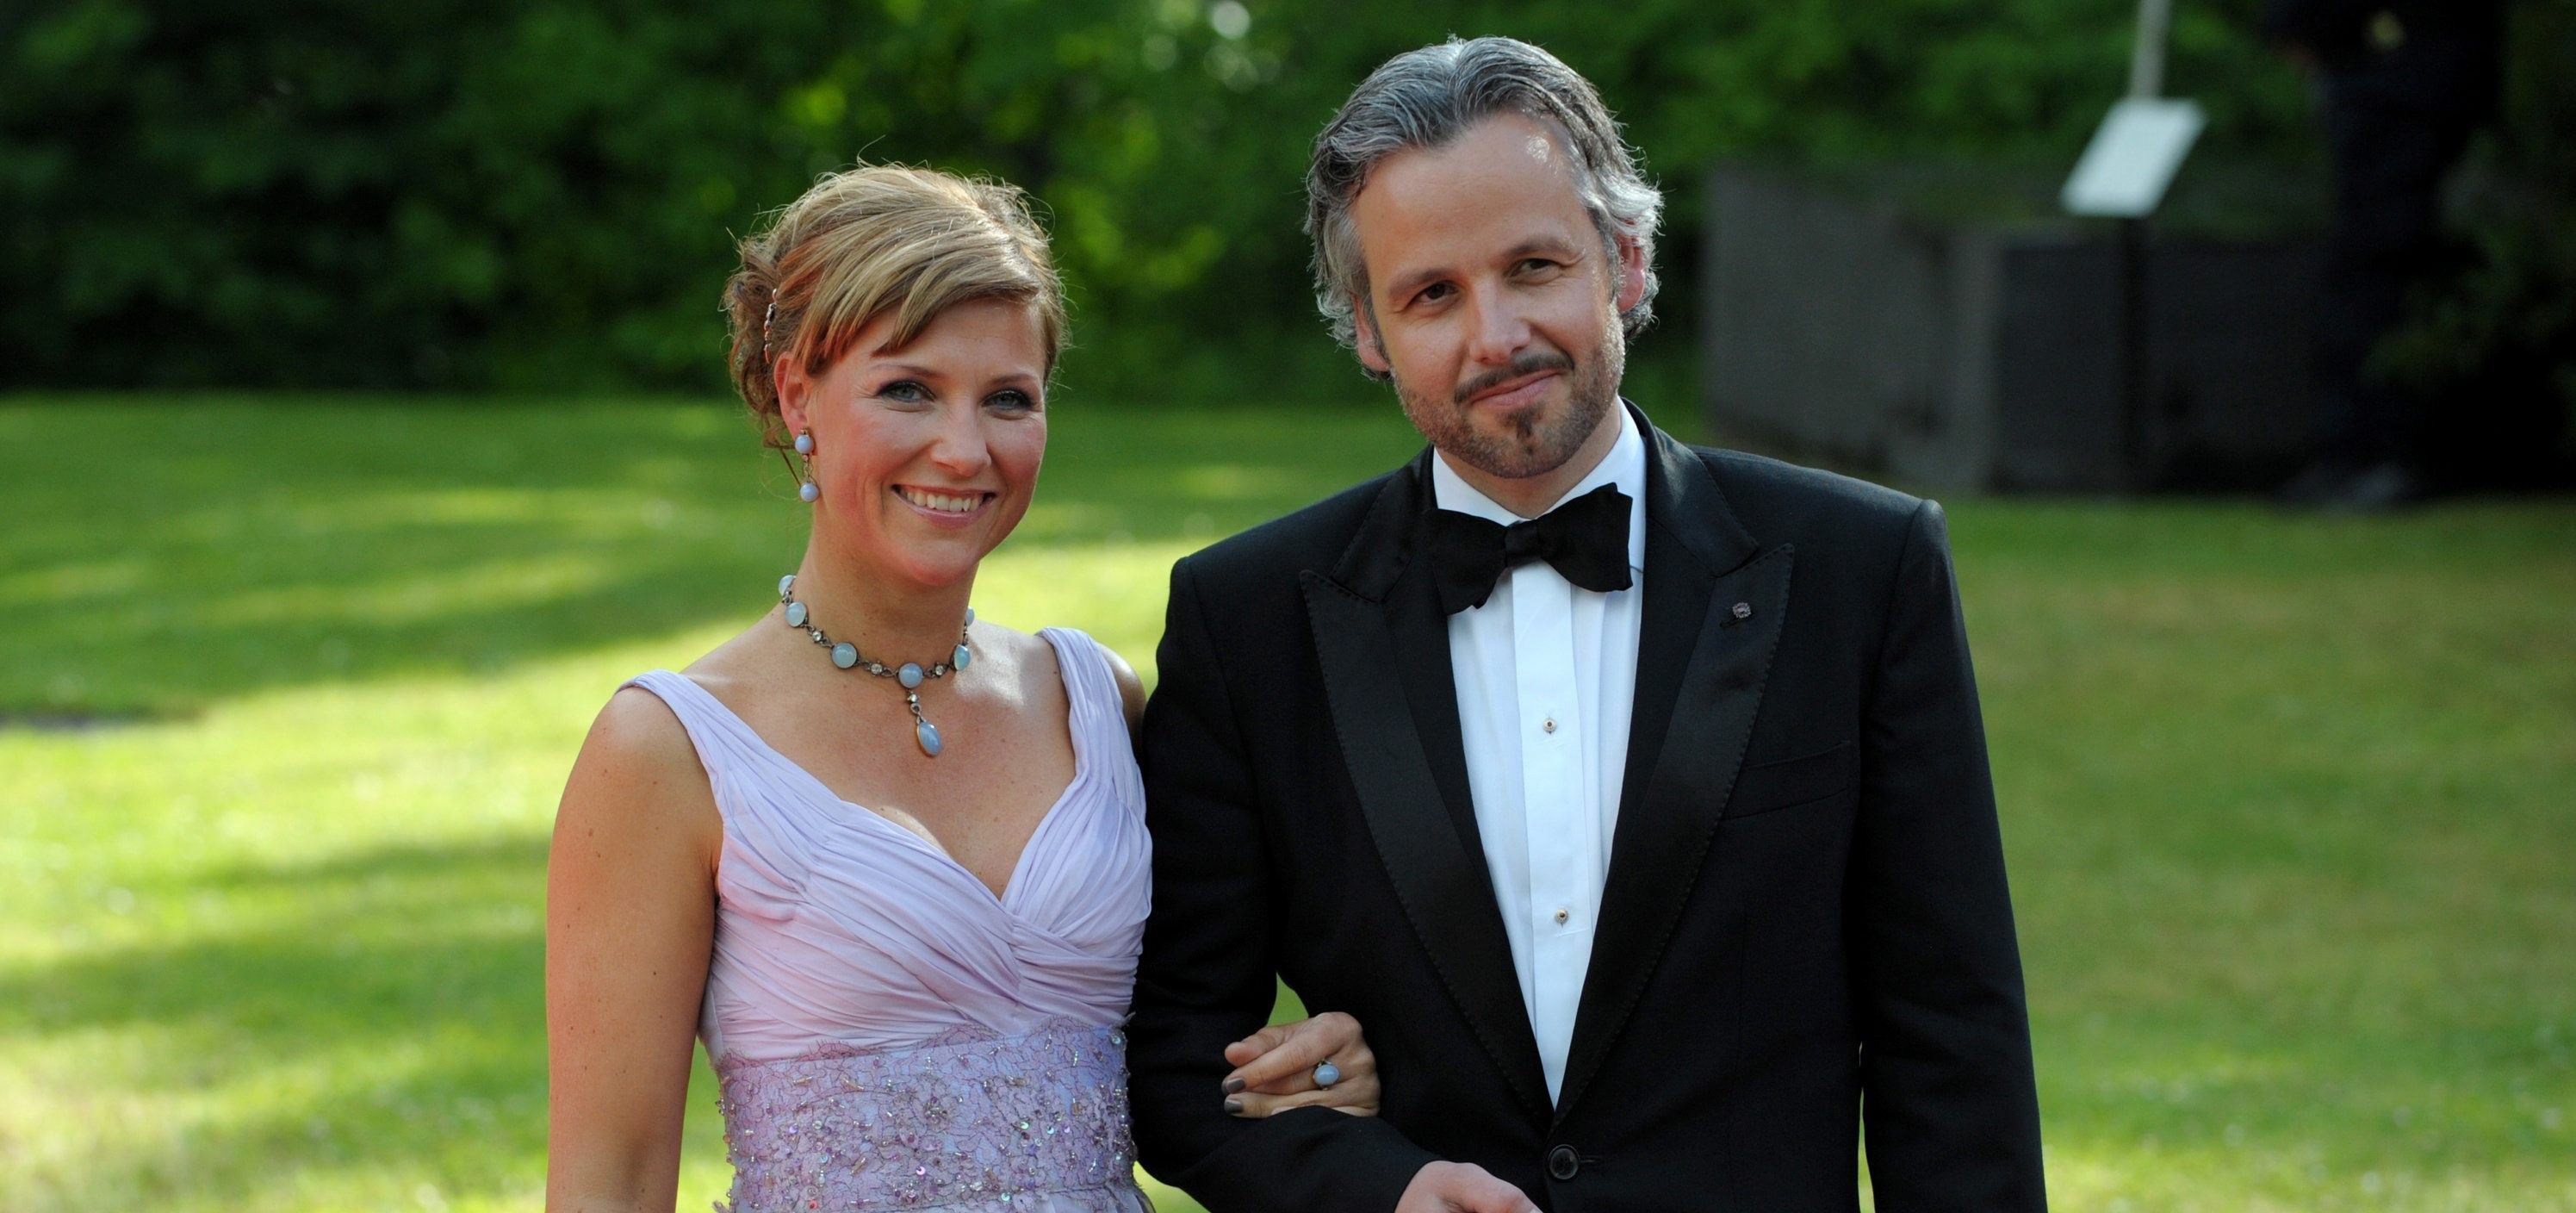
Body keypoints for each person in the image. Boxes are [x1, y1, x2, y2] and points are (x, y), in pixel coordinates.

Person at [1128, 37, 2045, 1212]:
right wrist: (1376, 1187)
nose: (1494, 335)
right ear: (1365, 331)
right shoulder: (1245, 619)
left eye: (1532, 267)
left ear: (1623, 261)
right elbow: (1171, 1062)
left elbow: (1950, 1038)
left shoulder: (1860, 570)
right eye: (1430, 295)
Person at [544, 165, 1381, 1213]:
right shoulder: (669, 748)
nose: (964, 448)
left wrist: (1310, 1066)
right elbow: (610, 1183)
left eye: (1008, 400)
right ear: (800, 392)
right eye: (908, 389)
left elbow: (1171, 1059)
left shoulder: (1099, 701)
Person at [2264, 0, 2505, 509]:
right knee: (2361, 280)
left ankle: (2384, 454)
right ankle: (2354, 453)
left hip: (2402, 89)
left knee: (2379, 279)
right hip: (2388, 82)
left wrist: (2303, 27)